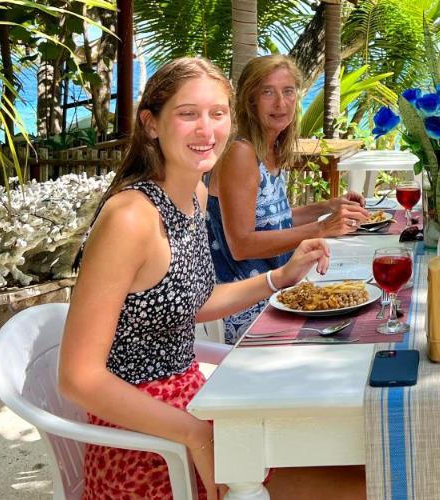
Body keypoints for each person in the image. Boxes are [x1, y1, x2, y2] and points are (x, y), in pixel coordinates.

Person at [58, 57, 363, 499]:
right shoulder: (129, 217)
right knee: (360, 484)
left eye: (217, 114)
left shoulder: (194, 195)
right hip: (148, 440)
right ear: (151, 124)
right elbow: (79, 378)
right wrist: (197, 435)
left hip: (196, 401)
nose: (207, 130)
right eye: (188, 114)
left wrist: (280, 276)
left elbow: (193, 303)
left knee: (354, 452)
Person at [206, 54, 368, 342]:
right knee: (354, 326)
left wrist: (327, 207)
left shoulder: (270, 150)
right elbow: (241, 244)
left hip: (281, 293)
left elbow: (273, 220)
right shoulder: (240, 153)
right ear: (250, 100)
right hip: (249, 308)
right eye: (267, 92)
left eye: (288, 91)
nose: (280, 103)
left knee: (359, 296)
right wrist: (320, 228)